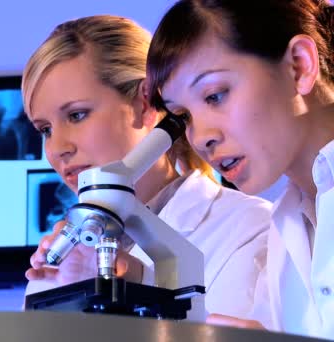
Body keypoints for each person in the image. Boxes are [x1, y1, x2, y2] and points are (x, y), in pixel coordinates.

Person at [21, 15, 273, 322]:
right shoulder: (59, 261)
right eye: (45, 129)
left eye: (77, 115)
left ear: (145, 104)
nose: (58, 147)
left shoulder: (251, 228)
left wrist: (140, 285)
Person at [145, 0, 334, 338]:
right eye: (184, 117)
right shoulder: (285, 227)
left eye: (215, 95)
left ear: (299, 66)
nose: (200, 138)